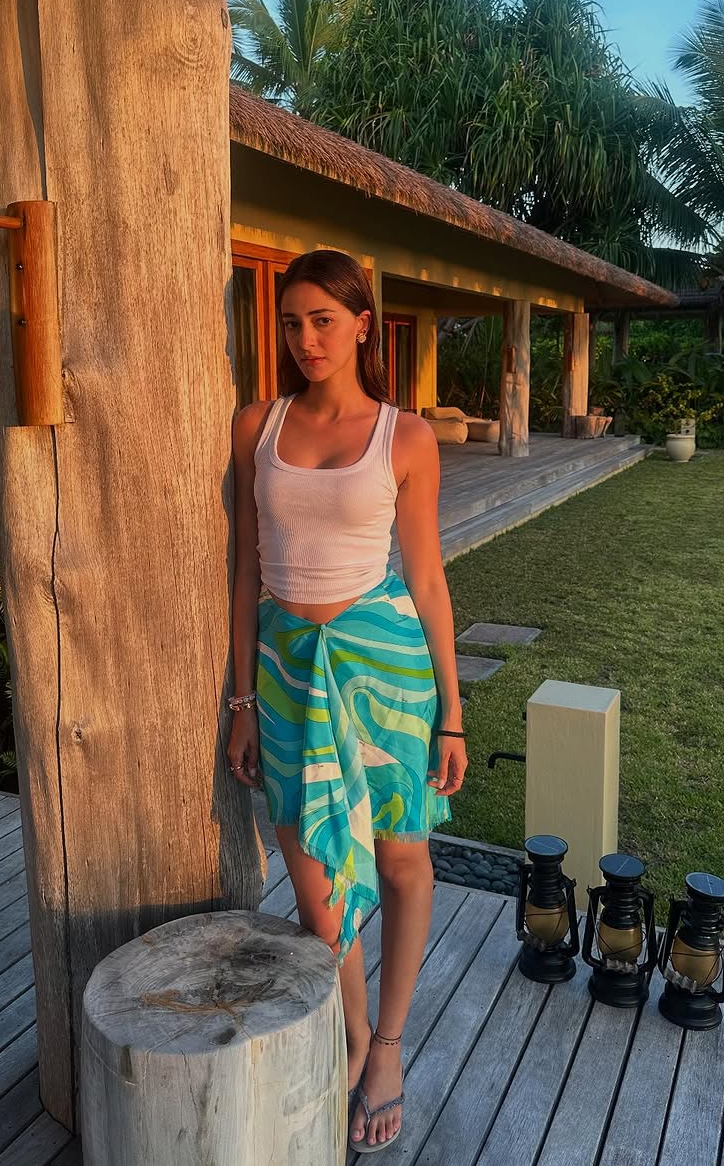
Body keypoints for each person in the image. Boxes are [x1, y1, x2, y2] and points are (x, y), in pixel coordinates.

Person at [228, 249, 468, 1152]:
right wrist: (241, 702)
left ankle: (388, 1048)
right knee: (319, 896)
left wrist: (452, 712)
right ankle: (355, 1033)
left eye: (323, 321)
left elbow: (429, 579)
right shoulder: (257, 425)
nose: (306, 339)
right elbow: (245, 569)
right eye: (292, 323)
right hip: (288, 676)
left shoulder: (404, 438)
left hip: (386, 675)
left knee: (403, 864)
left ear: (363, 325)